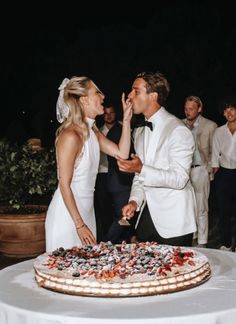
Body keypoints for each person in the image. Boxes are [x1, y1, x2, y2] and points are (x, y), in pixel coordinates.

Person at [45, 76, 132, 252]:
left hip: (86, 213)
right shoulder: (70, 135)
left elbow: (122, 153)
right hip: (68, 217)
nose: (103, 96)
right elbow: (64, 184)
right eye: (97, 92)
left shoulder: (93, 132)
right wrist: (79, 224)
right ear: (84, 100)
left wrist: (127, 119)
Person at [117, 71, 197, 247]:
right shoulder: (138, 132)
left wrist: (141, 169)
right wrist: (134, 201)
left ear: (152, 96)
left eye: (135, 91)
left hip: (174, 222)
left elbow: (179, 179)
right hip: (147, 219)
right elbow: (139, 177)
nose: (130, 96)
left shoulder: (178, 130)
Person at [183, 96, 217, 248]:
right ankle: (192, 237)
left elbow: (214, 150)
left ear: (199, 109)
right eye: (186, 109)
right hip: (183, 170)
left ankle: (202, 241)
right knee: (187, 206)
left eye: (191, 109)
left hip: (200, 169)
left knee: (202, 207)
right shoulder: (179, 124)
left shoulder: (210, 126)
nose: (188, 112)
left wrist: (209, 168)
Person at [211, 97, 236, 251]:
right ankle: (226, 243)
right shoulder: (219, 132)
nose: (228, 112)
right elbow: (214, 155)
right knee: (223, 211)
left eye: (232, 108)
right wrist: (216, 177)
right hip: (224, 174)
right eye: (225, 110)